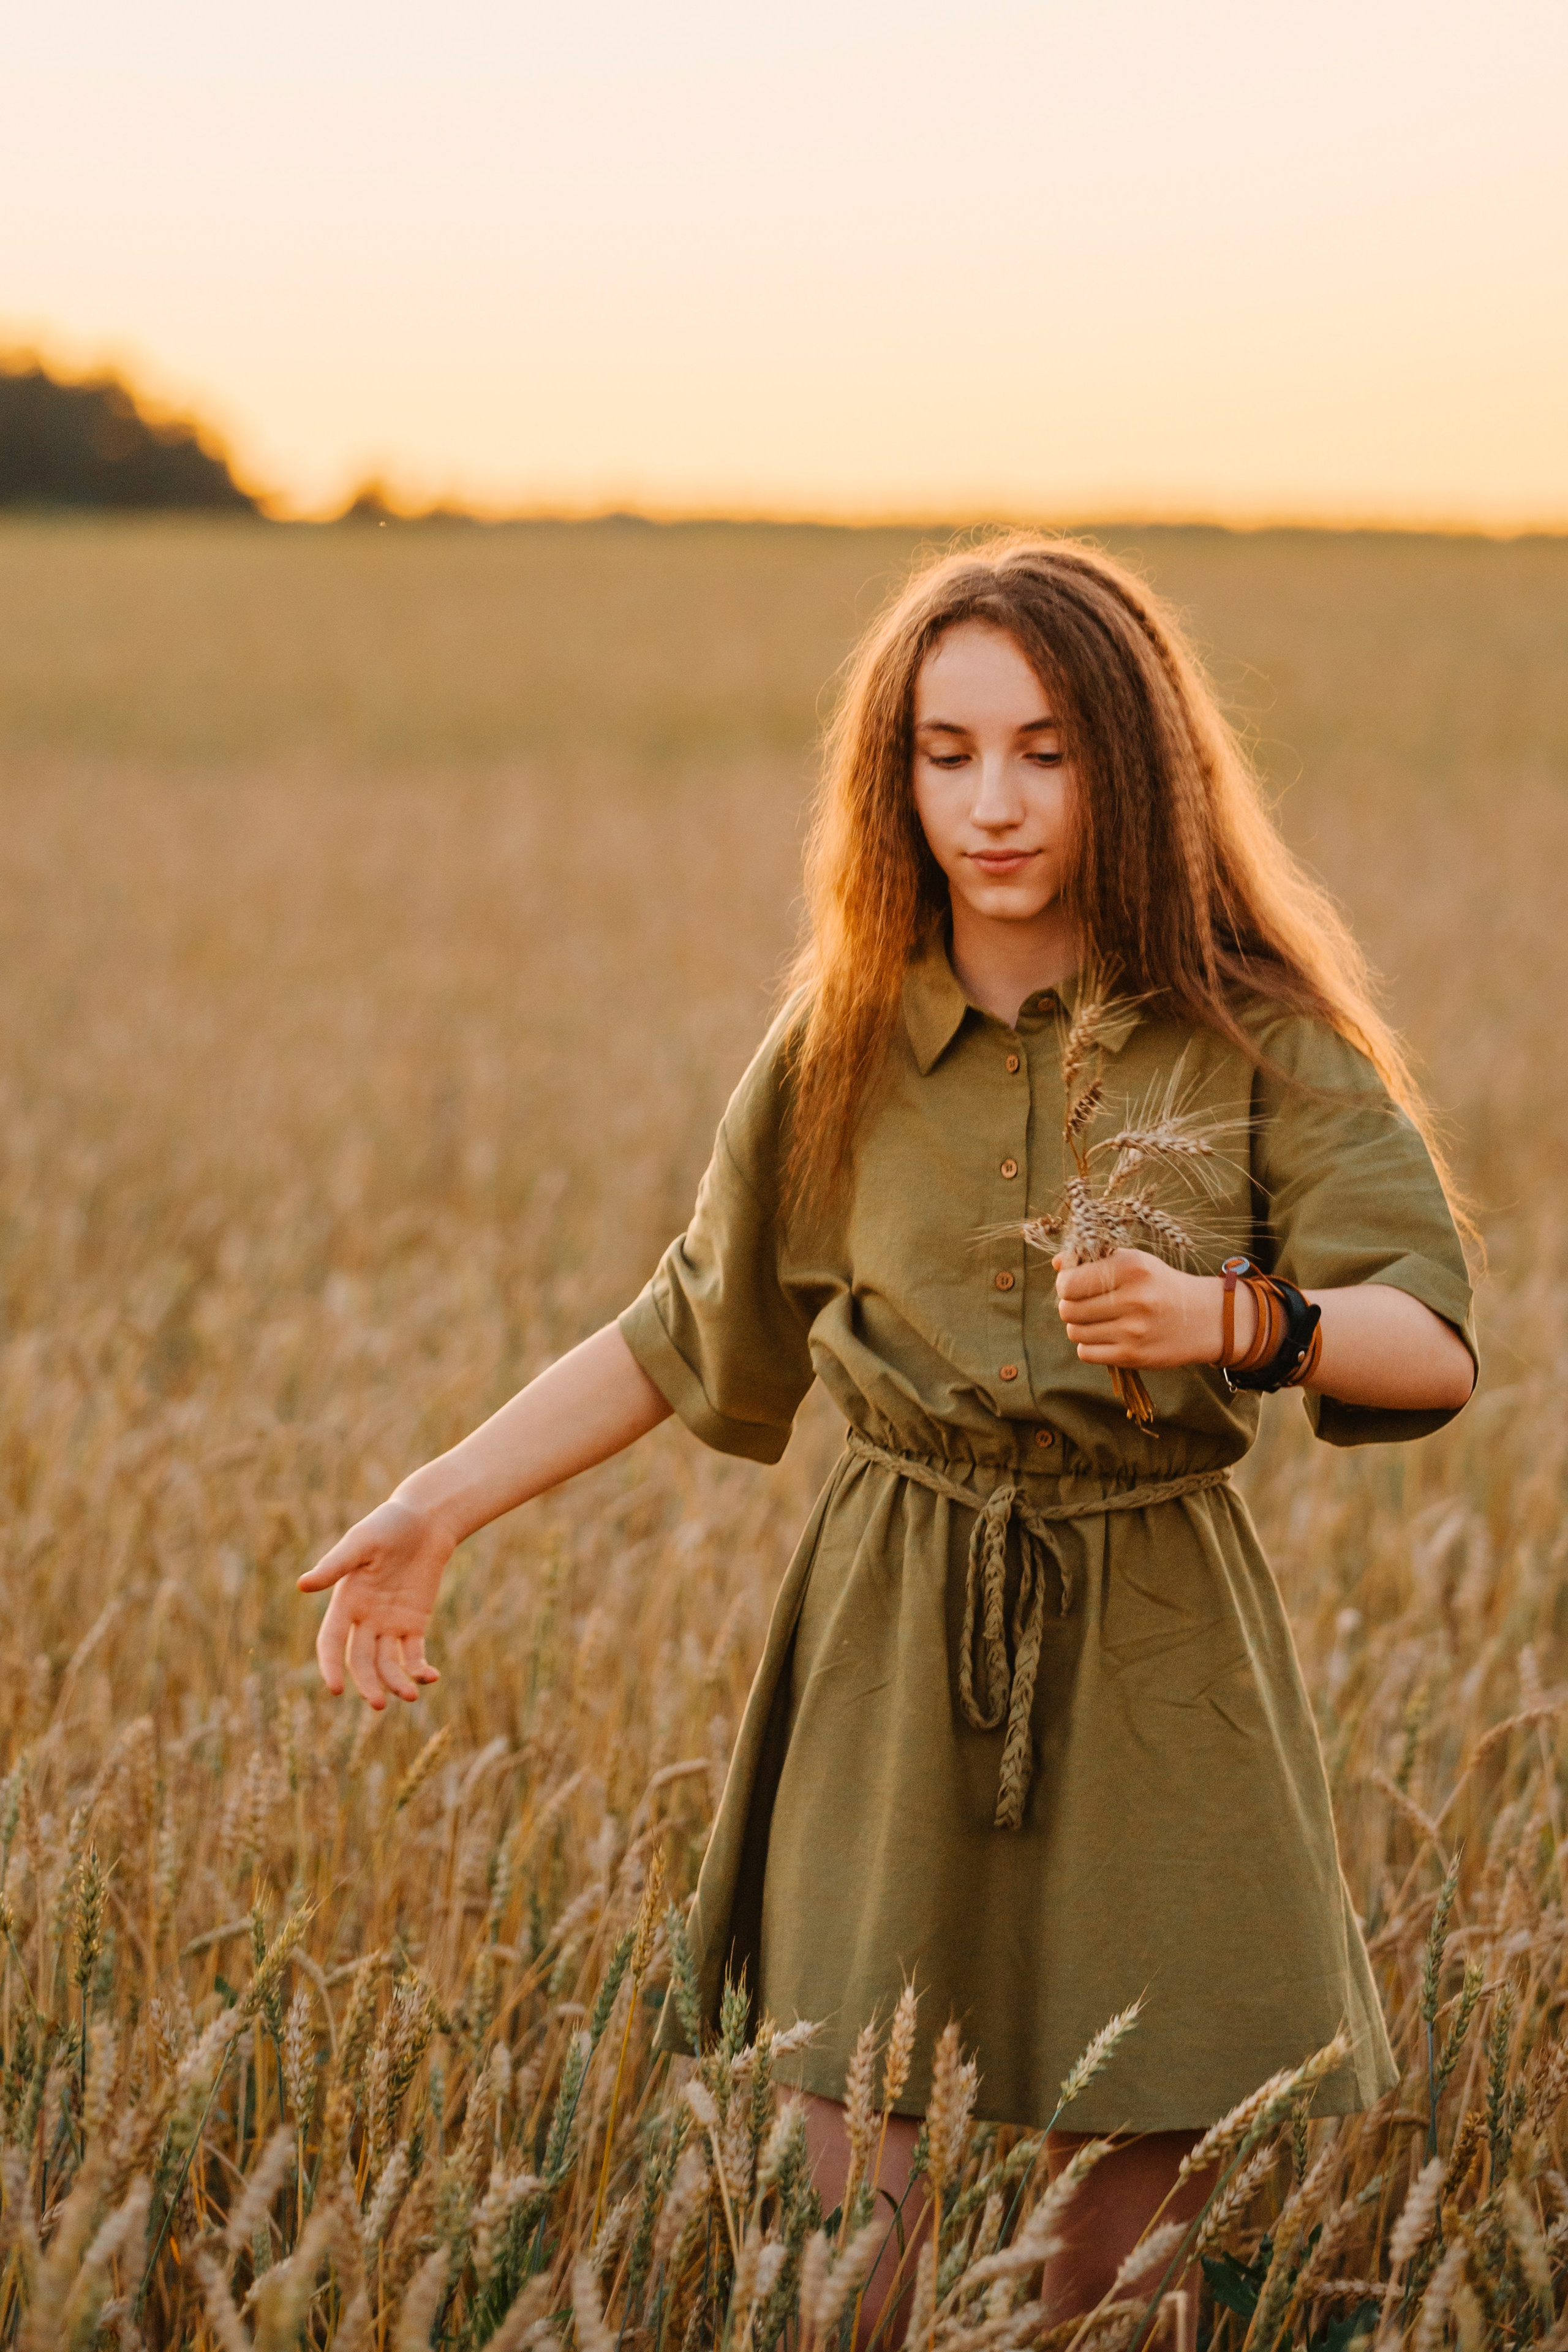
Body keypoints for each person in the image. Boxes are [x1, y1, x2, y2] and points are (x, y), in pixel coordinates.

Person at [299, 538, 1477, 2318]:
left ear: (1133, 765)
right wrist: (437, 1503)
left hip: (1159, 1637)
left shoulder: (1255, 1030)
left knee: (1120, 2252)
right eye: (947, 752)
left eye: (1046, 751)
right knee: (850, 2235)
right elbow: (688, 1324)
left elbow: (1433, 1341)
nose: (991, 803)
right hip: (892, 1622)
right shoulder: (836, 1041)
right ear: (896, 771)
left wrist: (1241, 1319)